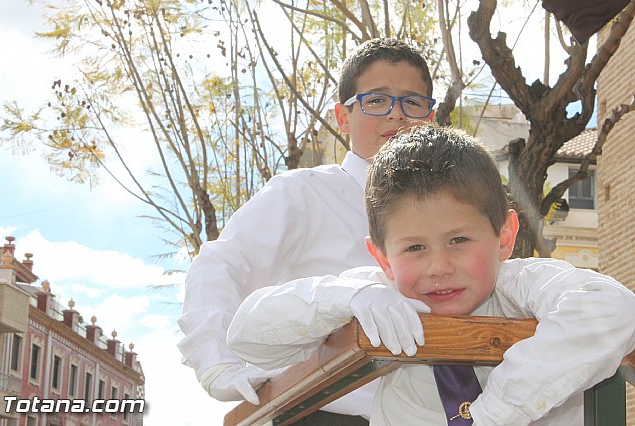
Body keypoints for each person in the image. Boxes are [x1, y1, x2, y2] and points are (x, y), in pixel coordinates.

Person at [227, 124, 635, 425]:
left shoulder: (519, 286)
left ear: (505, 236)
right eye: (414, 248)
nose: (438, 267)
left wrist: (493, 415)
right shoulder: (379, 300)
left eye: (459, 239)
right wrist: (345, 299)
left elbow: (611, 306)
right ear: (382, 258)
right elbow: (249, 338)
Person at [177, 38, 435, 424]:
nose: (396, 115)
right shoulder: (302, 193)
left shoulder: (451, 210)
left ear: (430, 116)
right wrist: (216, 362)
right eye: (377, 100)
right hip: (324, 408)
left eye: (412, 101)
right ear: (343, 117)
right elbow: (219, 265)